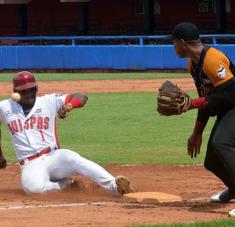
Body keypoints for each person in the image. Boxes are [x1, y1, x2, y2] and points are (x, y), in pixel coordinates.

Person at [0, 71, 134, 195]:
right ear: (16, 91)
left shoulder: (48, 101)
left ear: (36, 88)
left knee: (74, 159)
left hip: (54, 156)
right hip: (30, 164)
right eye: (25, 91)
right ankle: (66, 185)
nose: (29, 93)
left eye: (32, 89)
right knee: (34, 189)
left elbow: (81, 97)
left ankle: (115, 186)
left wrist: (69, 106)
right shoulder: (5, 107)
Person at [170, 22, 235, 203]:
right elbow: (207, 101)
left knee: (221, 142)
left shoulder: (212, 59)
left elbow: (230, 94)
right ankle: (233, 189)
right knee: (212, 161)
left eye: (173, 43)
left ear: (182, 43)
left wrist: (192, 103)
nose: (173, 47)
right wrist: (197, 133)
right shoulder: (193, 65)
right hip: (228, 109)